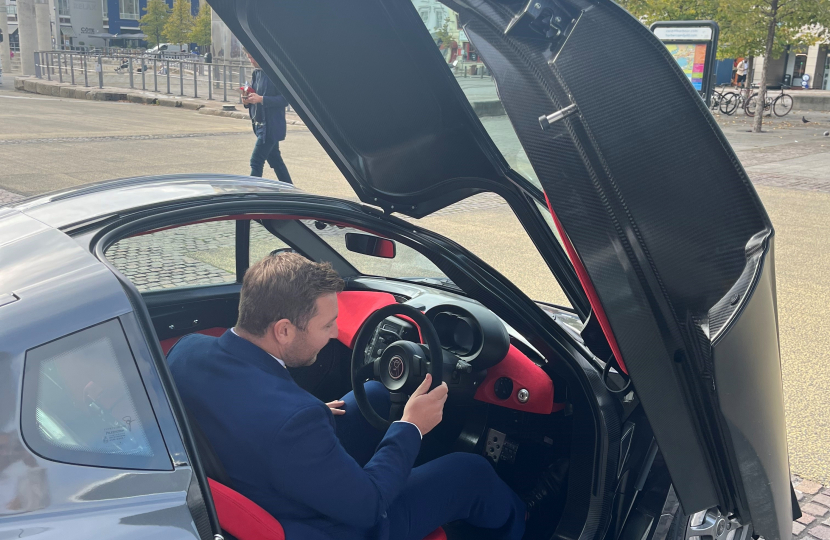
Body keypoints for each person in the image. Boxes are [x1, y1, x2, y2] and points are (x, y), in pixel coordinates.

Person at [167, 253, 527, 540]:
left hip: (256, 472)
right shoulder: (294, 421)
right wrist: (411, 427)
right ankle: (525, 527)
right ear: (284, 331)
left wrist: (309, 415)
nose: (335, 332)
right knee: (471, 472)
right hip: (331, 525)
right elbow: (369, 507)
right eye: (326, 326)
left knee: (376, 392)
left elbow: (238, 409)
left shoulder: (187, 351)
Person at [242, 47, 292, 183]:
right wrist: (246, 101)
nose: (251, 60)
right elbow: (254, 97)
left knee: (256, 161)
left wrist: (261, 99)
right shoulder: (256, 73)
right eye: (248, 57)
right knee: (276, 161)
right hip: (259, 125)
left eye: (253, 57)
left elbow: (285, 99)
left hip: (270, 126)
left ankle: (252, 194)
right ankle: (290, 190)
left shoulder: (275, 74)